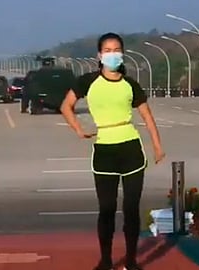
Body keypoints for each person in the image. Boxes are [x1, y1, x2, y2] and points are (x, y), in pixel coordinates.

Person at [60, 32, 165, 270]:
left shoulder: (130, 85)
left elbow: (147, 116)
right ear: (99, 55)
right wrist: (79, 129)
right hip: (104, 151)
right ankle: (106, 261)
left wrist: (157, 146)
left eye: (116, 49)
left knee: (131, 208)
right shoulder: (88, 82)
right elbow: (66, 106)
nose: (112, 54)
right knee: (106, 209)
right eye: (107, 50)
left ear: (123, 53)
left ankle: (131, 261)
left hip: (131, 150)